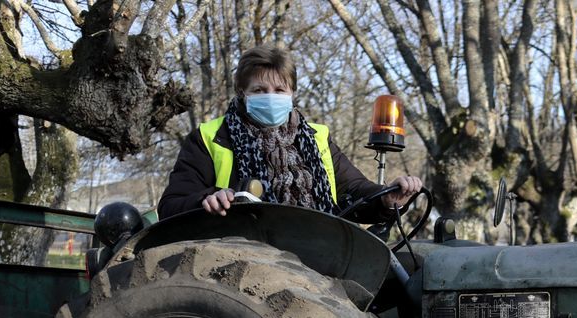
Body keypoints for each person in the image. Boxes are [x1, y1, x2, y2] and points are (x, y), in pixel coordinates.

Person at [157, 46, 422, 222]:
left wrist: (386, 198)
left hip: (319, 248)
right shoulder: (210, 136)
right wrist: (209, 199)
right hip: (238, 253)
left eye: (279, 90)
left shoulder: (317, 137)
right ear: (242, 93)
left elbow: (353, 190)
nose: (270, 97)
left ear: (292, 93)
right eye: (259, 90)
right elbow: (171, 205)